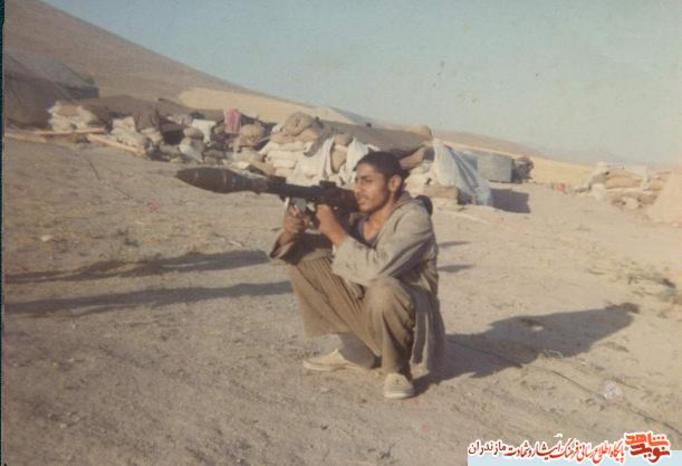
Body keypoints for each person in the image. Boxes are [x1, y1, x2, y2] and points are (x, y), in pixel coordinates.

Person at [270, 151, 445, 399]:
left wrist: (335, 231)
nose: (358, 189)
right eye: (356, 181)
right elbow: (311, 250)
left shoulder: (414, 218)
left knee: (383, 287)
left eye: (367, 181)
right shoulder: (359, 215)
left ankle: (397, 369)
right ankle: (357, 352)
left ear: (393, 183)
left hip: (408, 321)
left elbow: (377, 270)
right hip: (369, 310)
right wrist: (291, 232)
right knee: (302, 255)